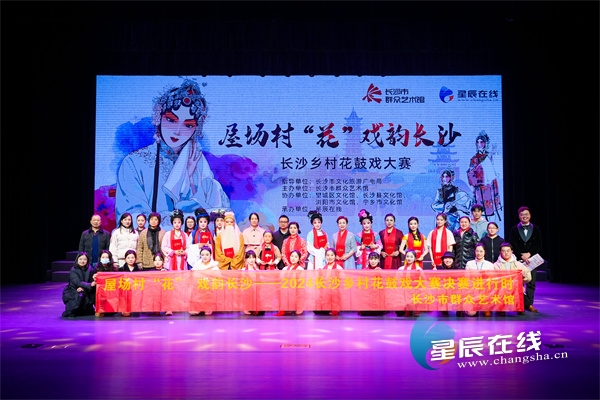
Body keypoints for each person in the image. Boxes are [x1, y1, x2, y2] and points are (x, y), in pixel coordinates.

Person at [115, 78, 230, 229]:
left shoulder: (198, 162)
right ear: (159, 117)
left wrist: (191, 179)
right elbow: (131, 217)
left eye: (188, 125)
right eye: (171, 119)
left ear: (196, 128)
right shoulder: (133, 163)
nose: (177, 131)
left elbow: (218, 212)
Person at [509, 206, 542, 313]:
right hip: (519, 259)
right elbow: (512, 243)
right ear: (519, 216)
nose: (524, 216)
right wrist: (521, 255)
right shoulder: (514, 229)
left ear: (530, 215)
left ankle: (529, 304)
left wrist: (529, 254)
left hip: (532, 260)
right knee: (519, 283)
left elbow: (539, 244)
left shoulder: (536, 229)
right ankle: (520, 305)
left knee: (531, 283)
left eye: (526, 214)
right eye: (522, 214)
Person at [467, 131, 502, 220]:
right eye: (478, 142)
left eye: (481, 142)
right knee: (481, 209)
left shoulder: (490, 156)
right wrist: (477, 182)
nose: (479, 144)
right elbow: (470, 173)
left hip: (491, 185)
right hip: (481, 187)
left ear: (485, 143)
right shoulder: (474, 159)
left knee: (492, 209)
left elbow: (497, 171)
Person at [493, 242, 532, 315]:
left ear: (511, 251)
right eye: (503, 251)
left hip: (516, 290)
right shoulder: (496, 265)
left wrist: (524, 276)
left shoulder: (518, 264)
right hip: (502, 290)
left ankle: (519, 307)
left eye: (508, 251)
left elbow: (529, 278)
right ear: (500, 252)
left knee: (526, 304)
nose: (506, 253)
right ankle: (501, 309)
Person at [61, 252, 97, 318]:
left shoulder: (90, 269)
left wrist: (93, 281)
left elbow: (92, 280)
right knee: (78, 296)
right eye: (80, 259)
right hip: (74, 289)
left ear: (87, 260)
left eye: (84, 259)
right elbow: (77, 282)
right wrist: (89, 285)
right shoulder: (73, 270)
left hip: (86, 289)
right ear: (77, 260)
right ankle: (71, 311)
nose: (82, 261)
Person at [465, 243, 495, 317]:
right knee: (471, 313)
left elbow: (491, 279)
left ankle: (485, 307)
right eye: (477, 251)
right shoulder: (469, 263)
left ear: (484, 252)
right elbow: (467, 278)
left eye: (481, 251)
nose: (479, 253)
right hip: (472, 290)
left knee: (487, 314)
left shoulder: (490, 264)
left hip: (485, 291)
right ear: (474, 252)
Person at [189, 246, 218, 316]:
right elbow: (193, 277)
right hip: (199, 287)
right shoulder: (197, 265)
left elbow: (218, 279)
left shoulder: (214, 267)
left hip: (210, 289)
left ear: (210, 255)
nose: (204, 257)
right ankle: (198, 307)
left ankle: (208, 307)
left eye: (207, 255)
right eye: (202, 255)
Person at [276, 250, 305, 316]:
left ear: (299, 259)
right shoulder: (285, 268)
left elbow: (301, 283)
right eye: (292, 256)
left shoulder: (300, 269)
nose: (293, 258)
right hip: (286, 292)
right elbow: (281, 280)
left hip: (296, 292)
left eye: (296, 257)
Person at [315, 248, 342, 316]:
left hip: (334, 292)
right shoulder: (322, 268)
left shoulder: (339, 268)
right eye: (328, 255)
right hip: (325, 292)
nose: (330, 257)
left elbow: (342, 282)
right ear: (325, 256)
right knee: (316, 310)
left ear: (335, 256)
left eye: (332, 255)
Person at [358, 252, 386, 316]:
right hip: (367, 297)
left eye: (375, 259)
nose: (373, 261)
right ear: (368, 260)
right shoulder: (364, 271)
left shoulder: (381, 271)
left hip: (377, 297)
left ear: (378, 260)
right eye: (371, 259)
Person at [397, 250, 422, 317]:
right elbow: (398, 282)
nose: (409, 258)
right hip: (404, 292)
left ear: (415, 258)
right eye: (407, 256)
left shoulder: (418, 269)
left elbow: (423, 282)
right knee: (399, 313)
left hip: (415, 293)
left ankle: (414, 308)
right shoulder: (401, 269)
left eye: (411, 257)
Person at [437, 251, 462, 317]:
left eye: (450, 258)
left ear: (453, 260)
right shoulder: (438, 269)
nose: (448, 260)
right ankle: (444, 309)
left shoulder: (458, 269)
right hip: (444, 291)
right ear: (443, 260)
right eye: (446, 258)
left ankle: (459, 310)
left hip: (455, 290)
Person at [117, 249, 141, 317]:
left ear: (135, 259)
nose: (130, 259)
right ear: (125, 259)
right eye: (128, 258)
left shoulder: (139, 270)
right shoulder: (121, 270)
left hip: (135, 293)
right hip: (124, 292)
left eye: (132, 257)